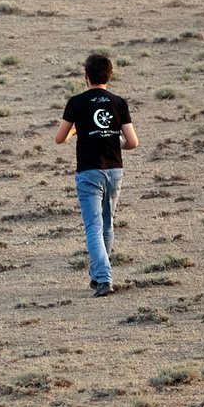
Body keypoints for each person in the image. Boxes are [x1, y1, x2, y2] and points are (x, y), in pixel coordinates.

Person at [53, 51, 137, 296]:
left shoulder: (76, 102)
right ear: (109, 75)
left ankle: (103, 278)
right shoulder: (119, 102)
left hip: (89, 172)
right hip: (114, 170)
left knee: (93, 227)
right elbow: (133, 142)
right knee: (107, 225)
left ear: (86, 75)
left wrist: (76, 131)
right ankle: (99, 274)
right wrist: (115, 143)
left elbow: (59, 138)